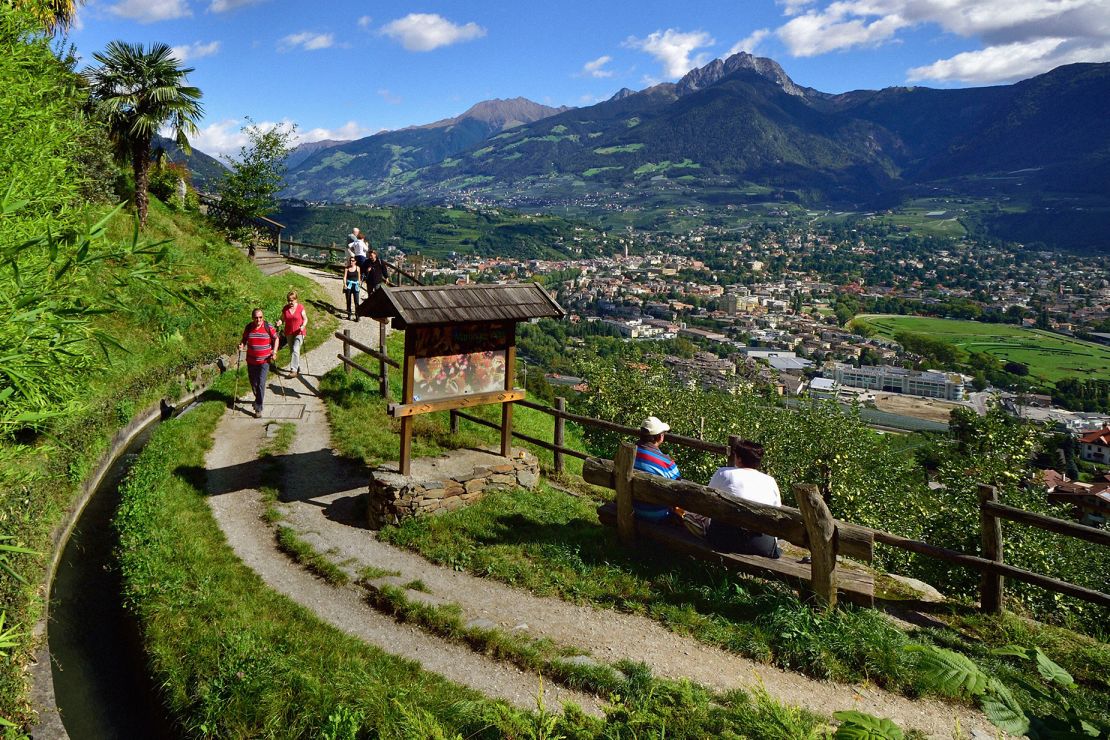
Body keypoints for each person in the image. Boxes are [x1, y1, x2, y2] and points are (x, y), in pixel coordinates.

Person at [705, 439, 782, 558]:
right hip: (762, 544)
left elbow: (706, 501)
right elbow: (777, 511)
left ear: (739, 458)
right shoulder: (770, 481)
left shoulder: (723, 473)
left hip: (725, 539)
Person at [632, 415, 680, 521]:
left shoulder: (627, 453)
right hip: (657, 515)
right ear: (660, 437)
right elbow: (678, 488)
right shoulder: (667, 463)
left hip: (629, 507)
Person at [239, 307, 278, 417]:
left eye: (260, 317)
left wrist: (274, 352)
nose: (258, 320)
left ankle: (258, 407)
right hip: (251, 361)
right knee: (254, 384)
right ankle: (258, 399)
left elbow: (276, 338)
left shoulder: (268, 326)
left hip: (265, 361)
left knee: (261, 383)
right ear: (252, 318)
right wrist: (241, 345)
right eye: (256, 318)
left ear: (263, 317)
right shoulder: (249, 327)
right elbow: (244, 339)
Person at [278, 291, 308, 376]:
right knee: (292, 351)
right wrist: (280, 322)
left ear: (296, 299)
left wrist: (303, 325)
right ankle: (297, 366)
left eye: (292, 300)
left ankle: (293, 370)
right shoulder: (285, 308)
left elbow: (305, 319)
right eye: (289, 300)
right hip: (289, 332)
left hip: (299, 332)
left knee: (295, 349)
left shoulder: (300, 307)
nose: (290, 302)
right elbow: (282, 319)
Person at [343, 256, 361, 321]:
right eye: (350, 260)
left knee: (356, 301)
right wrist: (345, 284)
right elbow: (345, 277)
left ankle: (357, 315)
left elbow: (359, 277)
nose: (351, 262)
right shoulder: (346, 268)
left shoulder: (358, 268)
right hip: (349, 285)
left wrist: (359, 283)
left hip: (355, 285)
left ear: (355, 262)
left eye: (353, 261)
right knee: (348, 300)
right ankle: (349, 314)